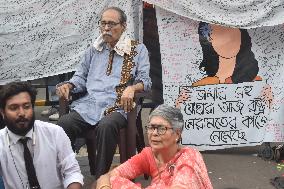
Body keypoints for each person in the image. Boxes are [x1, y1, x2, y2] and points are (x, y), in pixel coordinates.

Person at [56, 6, 151, 180]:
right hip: (90, 105)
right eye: (103, 24)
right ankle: (68, 176)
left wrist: (132, 88)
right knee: (63, 124)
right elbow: (80, 78)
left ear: (123, 26)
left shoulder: (138, 50)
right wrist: (68, 85)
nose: (106, 28)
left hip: (119, 106)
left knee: (106, 126)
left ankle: (101, 178)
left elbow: (146, 80)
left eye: (111, 24)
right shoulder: (94, 49)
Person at [96, 104, 213, 189]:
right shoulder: (149, 155)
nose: (154, 133)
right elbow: (107, 177)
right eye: (151, 127)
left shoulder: (189, 157)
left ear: (177, 134)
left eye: (162, 128)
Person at [0, 82, 83, 189]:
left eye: (26, 106)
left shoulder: (54, 133)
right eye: (13, 108)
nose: (21, 113)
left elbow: (72, 172)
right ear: (2, 112)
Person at [193, 22, 262, 86]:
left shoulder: (252, 80)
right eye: (220, 38)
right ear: (209, 42)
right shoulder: (203, 85)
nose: (227, 42)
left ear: (242, 37)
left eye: (233, 37)